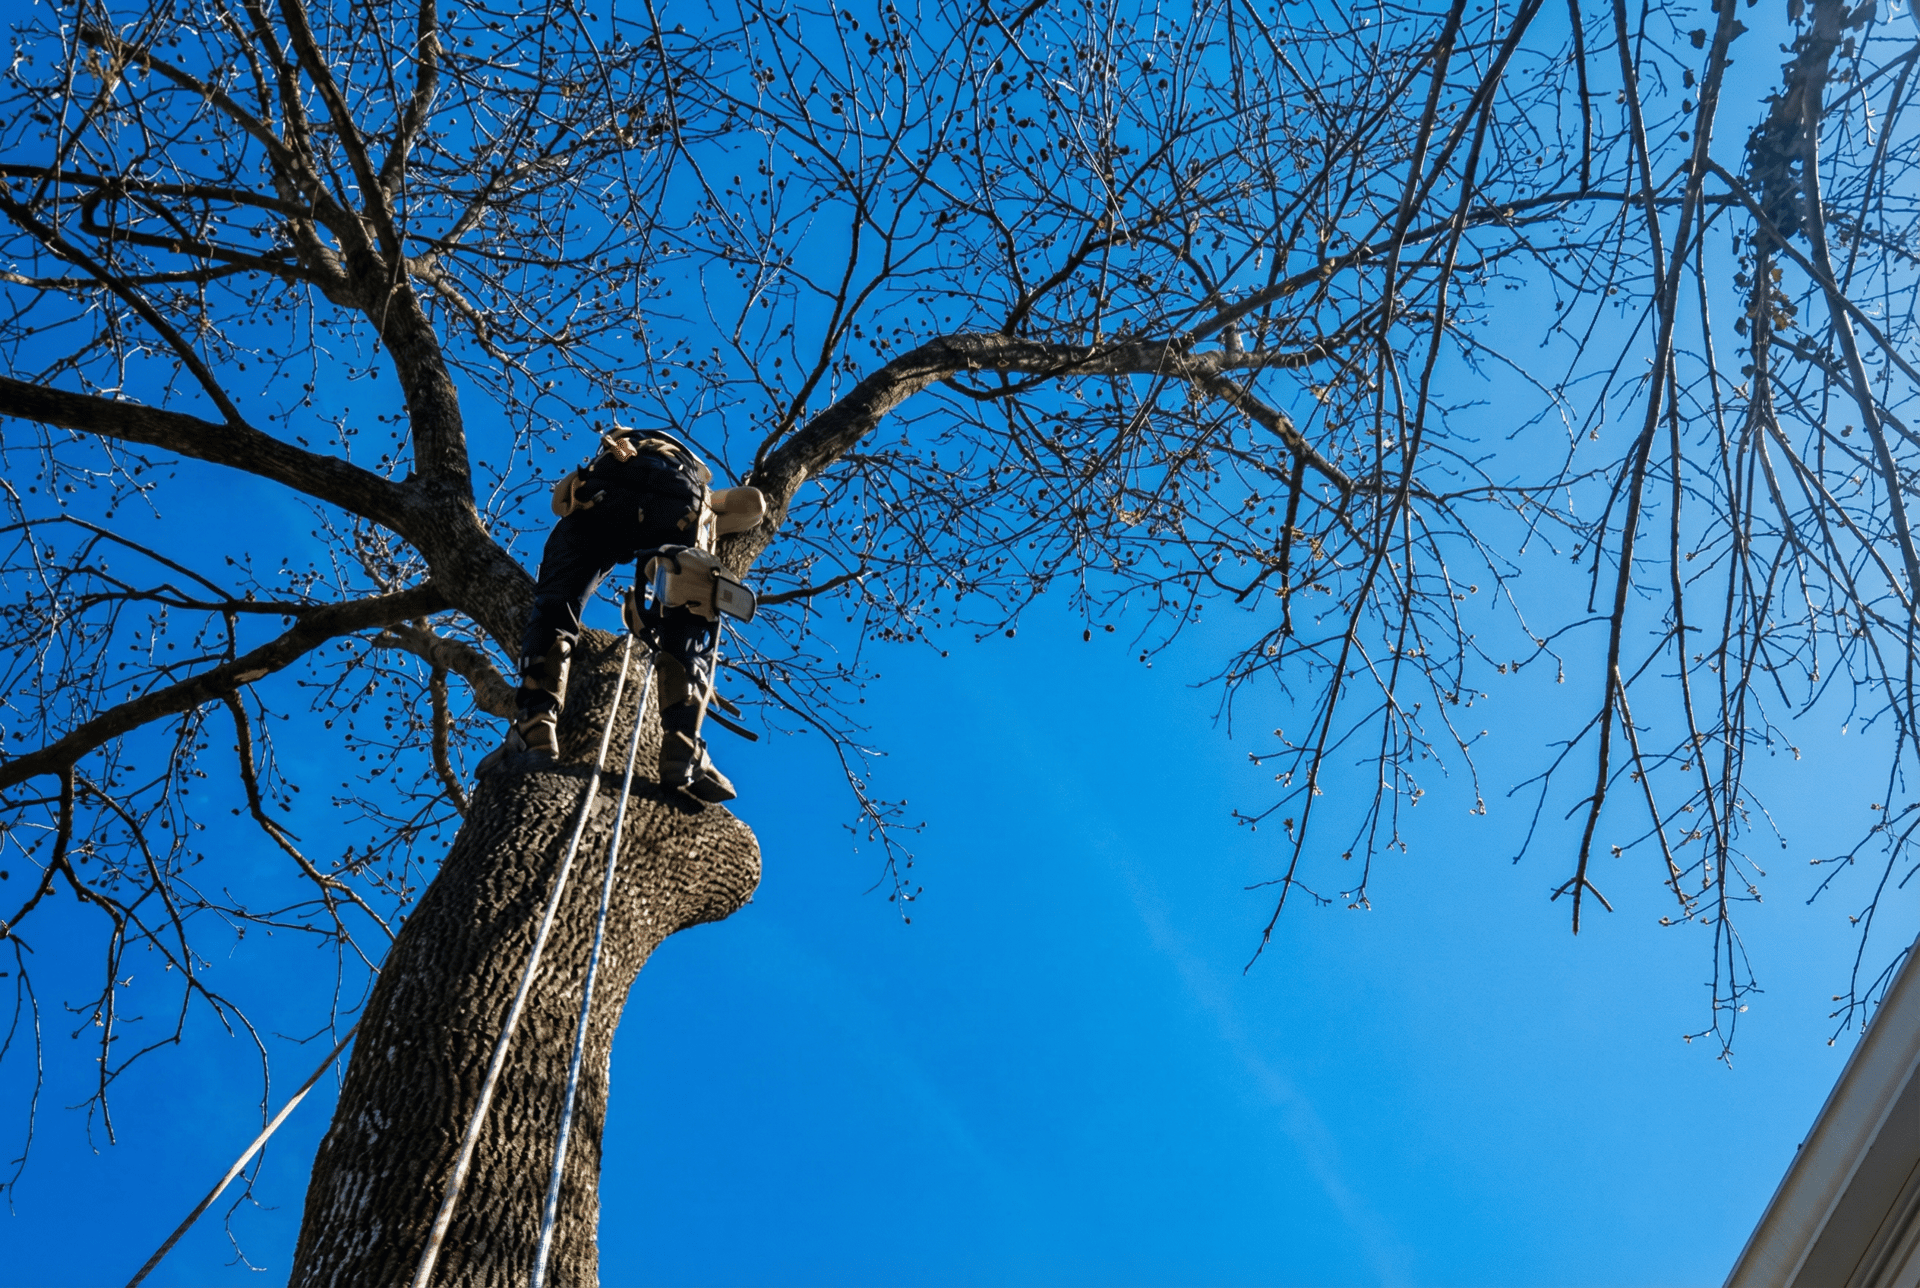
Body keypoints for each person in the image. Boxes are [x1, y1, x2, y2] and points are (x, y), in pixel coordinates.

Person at [487, 426, 760, 803]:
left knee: (556, 604)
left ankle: (535, 722)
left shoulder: (612, 455)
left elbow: (560, 504)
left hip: (604, 494)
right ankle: (683, 744)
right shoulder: (698, 480)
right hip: (680, 502)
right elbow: (754, 505)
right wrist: (710, 519)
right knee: (690, 610)